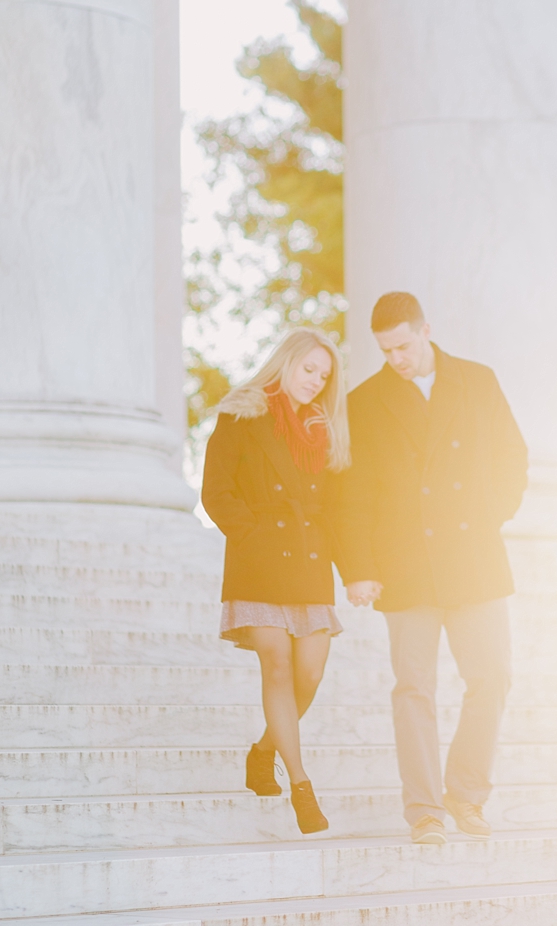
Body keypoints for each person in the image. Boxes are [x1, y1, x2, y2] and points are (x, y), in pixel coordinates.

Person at [339, 292, 528, 846]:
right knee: (413, 689)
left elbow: (511, 457)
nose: (395, 358)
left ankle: (466, 797)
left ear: (425, 331)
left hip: (474, 558)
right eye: (385, 350)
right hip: (404, 566)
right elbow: (351, 494)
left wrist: (490, 514)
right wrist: (358, 566)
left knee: (491, 678)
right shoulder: (366, 401)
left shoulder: (477, 380)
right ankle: (424, 810)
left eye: (402, 345)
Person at [202, 327, 352, 835]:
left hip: (309, 562)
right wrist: (254, 536)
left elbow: (336, 511)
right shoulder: (241, 414)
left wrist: (355, 571)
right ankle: (302, 787)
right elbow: (216, 492)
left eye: (324, 375)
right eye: (308, 369)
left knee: (310, 674)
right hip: (259, 561)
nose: (315, 381)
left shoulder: (323, 430)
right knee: (278, 666)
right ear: (286, 362)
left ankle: (263, 750)